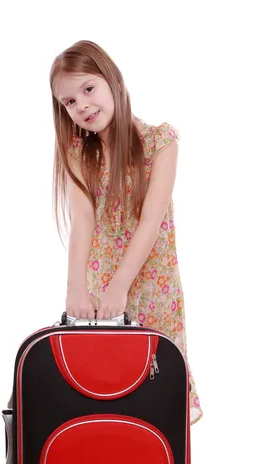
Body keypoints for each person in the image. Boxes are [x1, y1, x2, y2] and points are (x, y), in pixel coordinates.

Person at [50, 40, 203, 426]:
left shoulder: (160, 142)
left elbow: (151, 221)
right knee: (105, 391)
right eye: (69, 102)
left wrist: (122, 285)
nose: (81, 105)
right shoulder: (78, 150)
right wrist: (76, 288)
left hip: (153, 283)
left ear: (112, 81)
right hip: (102, 287)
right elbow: (82, 220)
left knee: (158, 386)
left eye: (88, 89)